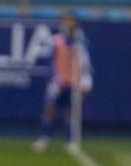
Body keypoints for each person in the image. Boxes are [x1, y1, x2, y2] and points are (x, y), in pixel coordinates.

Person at [32, 12, 93, 152]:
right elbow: (51, 61)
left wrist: (85, 80)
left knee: (71, 111)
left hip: (74, 82)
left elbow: (85, 63)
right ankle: (44, 137)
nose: (69, 24)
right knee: (49, 107)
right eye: (67, 21)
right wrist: (55, 77)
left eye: (72, 21)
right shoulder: (56, 40)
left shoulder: (81, 42)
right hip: (58, 80)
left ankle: (70, 140)